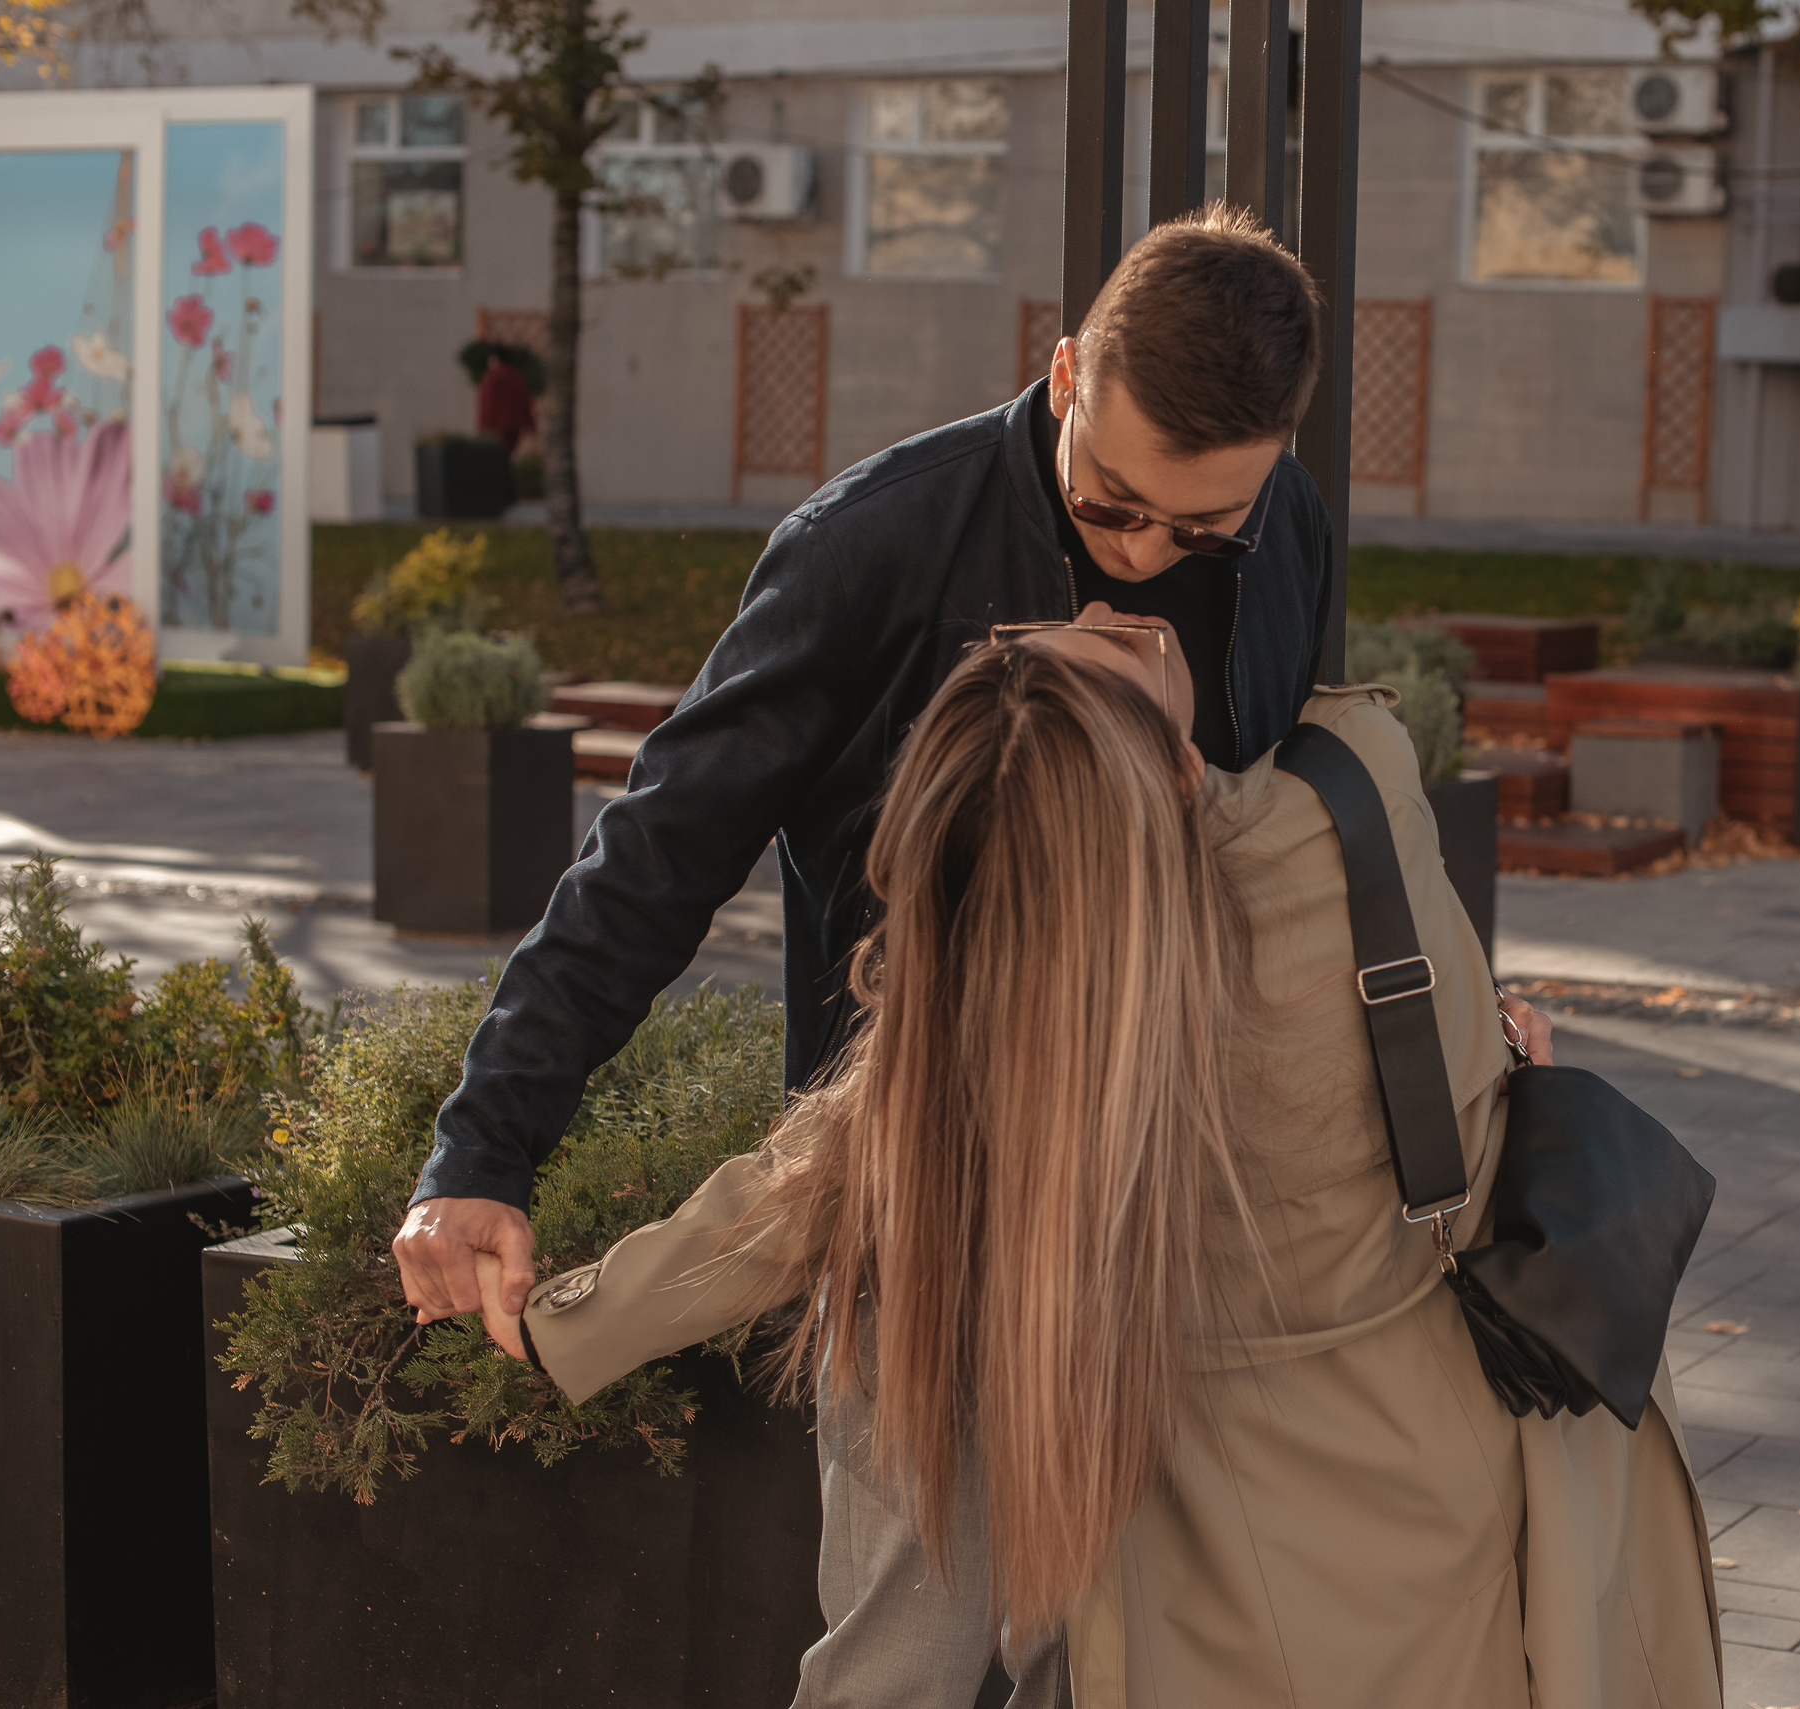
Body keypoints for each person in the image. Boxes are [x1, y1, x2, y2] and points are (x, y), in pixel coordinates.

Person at [466, 623, 1723, 1708]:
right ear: (1172, 773)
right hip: (1456, 1479)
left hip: (1221, 1568)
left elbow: (794, 1193)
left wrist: (556, 1319)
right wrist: (1494, 1048)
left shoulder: (1001, 1046)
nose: (1110, 612)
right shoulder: (1354, 786)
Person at [395, 204, 1548, 1324]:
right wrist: (482, 1151)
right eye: (1113, 502)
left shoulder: (1284, 519)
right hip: (924, 1215)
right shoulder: (868, 548)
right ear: (1065, 376)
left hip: (1194, 1200)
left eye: (1202, 529)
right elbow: (654, 859)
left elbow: (1300, 830)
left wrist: (1451, 1007)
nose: (1148, 553)